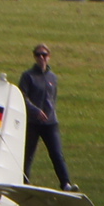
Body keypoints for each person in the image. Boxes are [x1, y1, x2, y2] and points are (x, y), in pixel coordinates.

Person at [18, 43, 75, 190]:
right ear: (34, 57)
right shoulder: (28, 76)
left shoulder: (52, 77)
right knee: (28, 153)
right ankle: (23, 181)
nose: (41, 57)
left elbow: (53, 98)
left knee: (57, 153)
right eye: (38, 55)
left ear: (49, 57)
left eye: (44, 55)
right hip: (33, 122)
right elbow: (22, 97)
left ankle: (66, 183)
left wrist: (50, 113)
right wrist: (35, 111)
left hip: (50, 122)